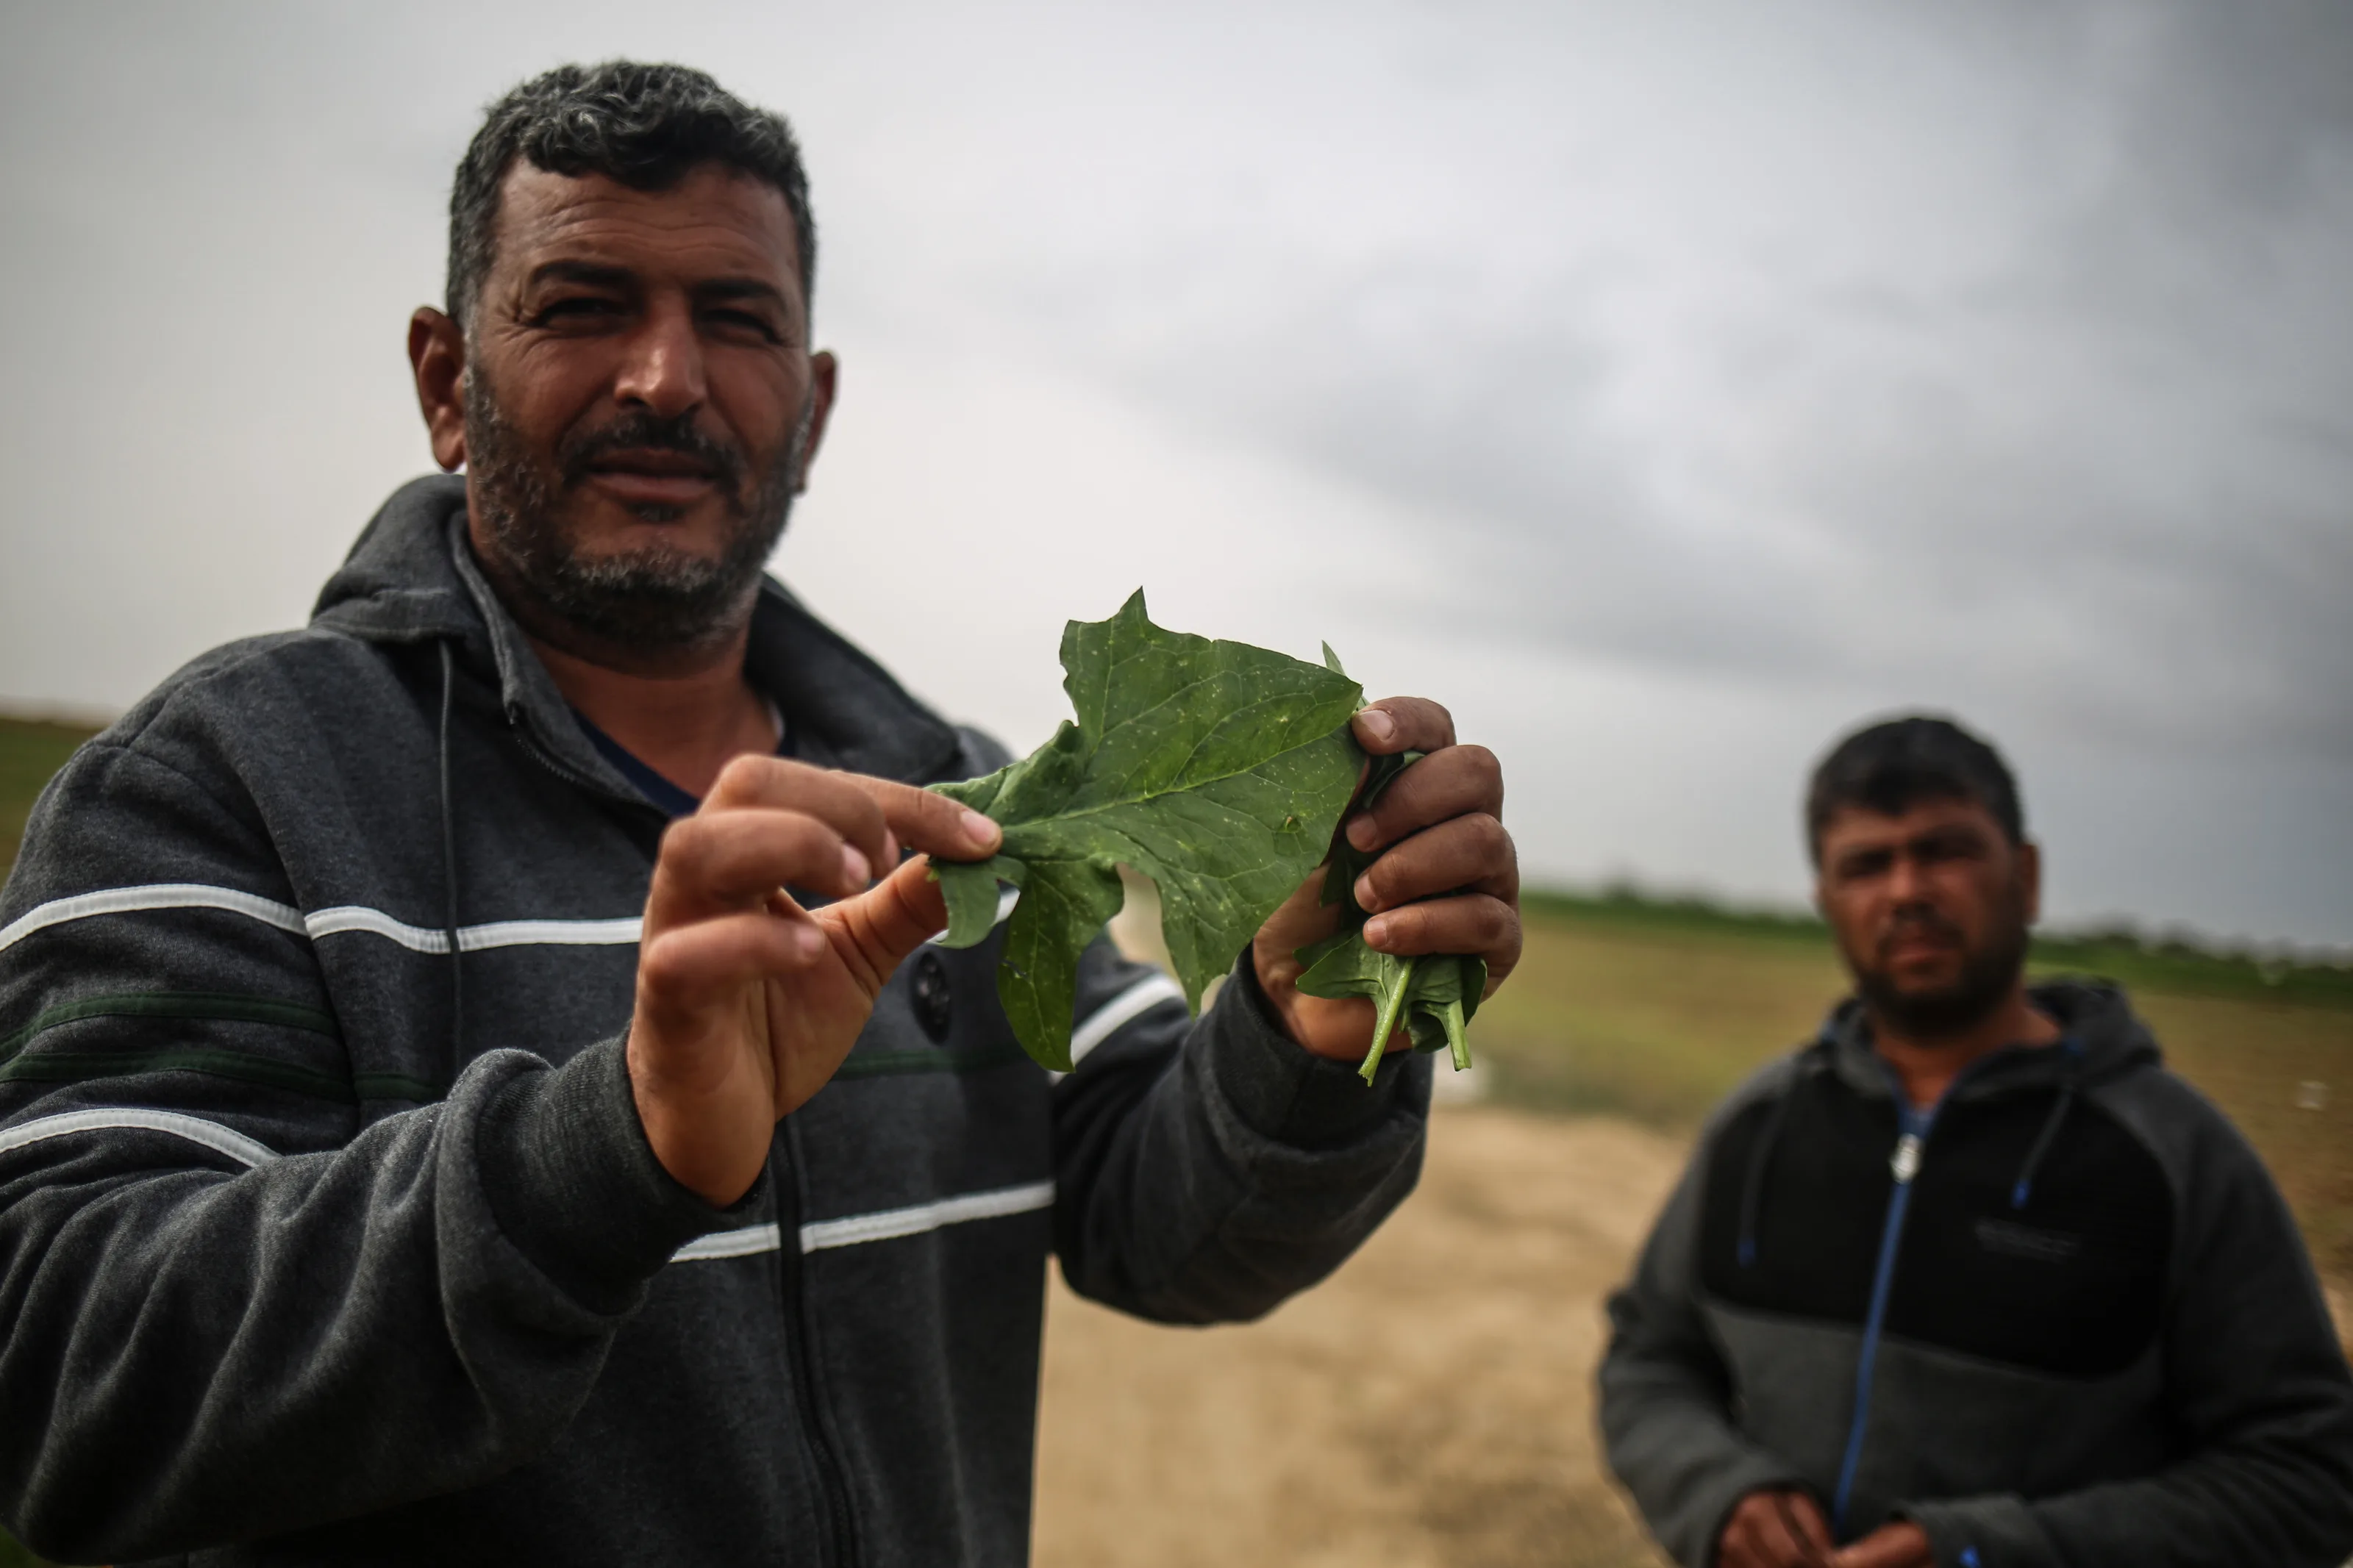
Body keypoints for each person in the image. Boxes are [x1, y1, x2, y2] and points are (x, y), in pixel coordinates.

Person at [0, 62, 1523, 1567]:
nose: (667, 378)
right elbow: (59, 1383)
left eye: (737, 321)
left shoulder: (957, 800)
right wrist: (609, 1149)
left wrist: (1307, 1027)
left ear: (812, 405)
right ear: (447, 380)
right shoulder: (228, 787)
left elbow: (1164, 1219)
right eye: (583, 304)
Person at [1598, 716, 2353, 1568]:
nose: (1905, 890)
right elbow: (1646, 1363)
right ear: (1826, 903)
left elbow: (2307, 1478)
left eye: (1943, 850)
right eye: (1864, 864)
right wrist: (1714, 1492)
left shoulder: (2174, 1155)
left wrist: (1987, 1551)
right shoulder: (1757, 1123)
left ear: (2024, 878)